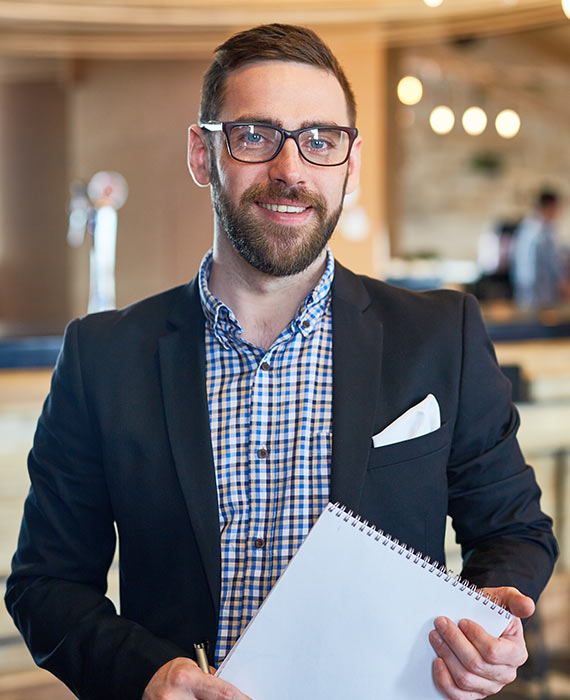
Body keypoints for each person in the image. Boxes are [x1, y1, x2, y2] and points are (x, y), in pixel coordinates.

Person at [5, 23, 557, 700]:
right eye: (254, 134)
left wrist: (488, 618)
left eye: (320, 139)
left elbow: (513, 530)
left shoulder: (443, 334)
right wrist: (146, 674)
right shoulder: (102, 357)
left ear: (351, 163)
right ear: (203, 154)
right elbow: (46, 583)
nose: (291, 170)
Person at [511, 189, 563, 308]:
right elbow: (553, 261)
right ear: (550, 206)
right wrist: (562, 282)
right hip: (540, 289)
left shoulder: (526, 225)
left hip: (523, 285)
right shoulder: (544, 230)